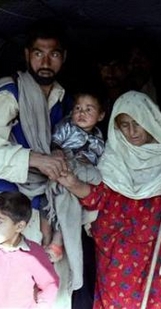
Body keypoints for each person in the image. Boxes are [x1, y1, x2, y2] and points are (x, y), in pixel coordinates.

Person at [57, 90, 161, 308]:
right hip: (120, 251)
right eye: (124, 125)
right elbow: (99, 197)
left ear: (150, 119)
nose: (132, 131)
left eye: (138, 123)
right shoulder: (114, 155)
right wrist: (73, 184)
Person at [0, 19, 74, 308]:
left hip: (45, 208)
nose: (45, 61)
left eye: (53, 54)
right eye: (38, 53)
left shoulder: (64, 101)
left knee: (48, 291)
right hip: (5, 205)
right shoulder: (10, 92)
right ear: (27, 54)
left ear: (63, 58)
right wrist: (34, 158)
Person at [41, 91, 105, 262]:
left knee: (76, 205)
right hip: (65, 166)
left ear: (101, 115)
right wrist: (57, 152)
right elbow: (55, 142)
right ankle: (48, 240)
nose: (81, 113)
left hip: (83, 175)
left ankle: (58, 241)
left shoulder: (99, 138)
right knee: (50, 203)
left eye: (88, 109)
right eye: (78, 108)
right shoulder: (67, 126)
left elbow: (100, 162)